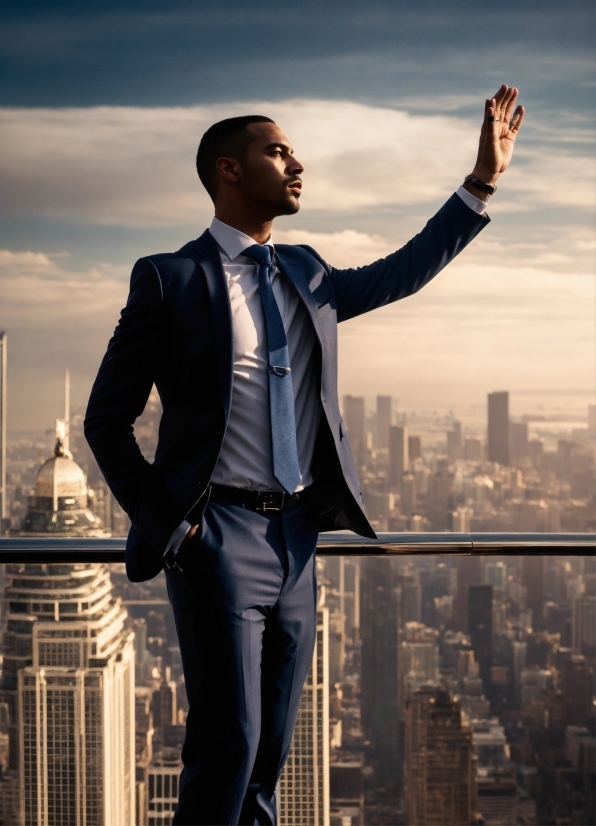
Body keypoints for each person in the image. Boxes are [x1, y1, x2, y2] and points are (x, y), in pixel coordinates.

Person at [85, 84, 524, 825]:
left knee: (271, 754)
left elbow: (401, 271)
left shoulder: (308, 272)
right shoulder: (170, 278)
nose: (298, 163)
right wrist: (178, 532)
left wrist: (480, 183)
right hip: (216, 536)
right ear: (229, 170)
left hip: (296, 540)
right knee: (229, 743)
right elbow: (106, 421)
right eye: (277, 150)